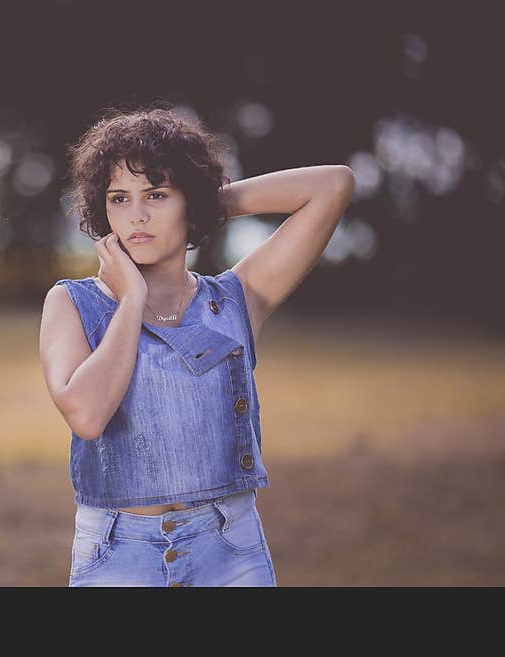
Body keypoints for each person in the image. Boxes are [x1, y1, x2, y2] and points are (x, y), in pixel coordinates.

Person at [38, 103, 355, 586]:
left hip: (229, 551)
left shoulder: (238, 297)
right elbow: (86, 414)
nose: (137, 215)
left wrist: (203, 201)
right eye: (119, 198)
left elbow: (333, 184)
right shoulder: (71, 303)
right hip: (118, 555)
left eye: (157, 194)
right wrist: (131, 302)